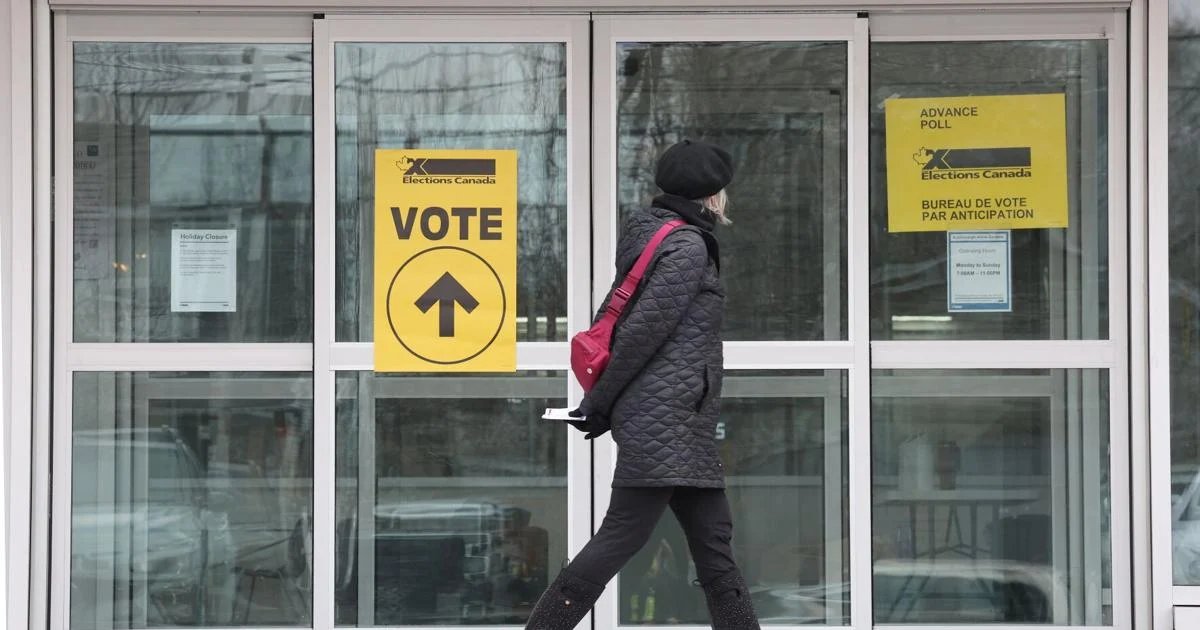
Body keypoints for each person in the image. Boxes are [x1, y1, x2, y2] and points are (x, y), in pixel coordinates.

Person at [525, 139, 760, 629]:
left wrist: (604, 404)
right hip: (666, 424)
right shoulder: (686, 246)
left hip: (680, 426)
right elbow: (639, 332)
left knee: (715, 545)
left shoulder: (659, 237)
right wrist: (599, 403)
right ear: (712, 195)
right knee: (620, 538)